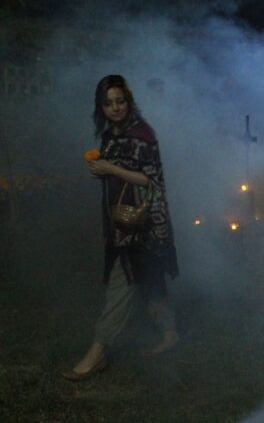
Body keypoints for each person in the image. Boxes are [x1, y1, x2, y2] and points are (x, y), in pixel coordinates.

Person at [63, 75, 179, 381]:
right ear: (100, 107)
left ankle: (97, 352)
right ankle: (170, 333)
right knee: (151, 279)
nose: (115, 108)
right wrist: (99, 171)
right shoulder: (109, 137)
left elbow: (150, 179)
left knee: (121, 284)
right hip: (119, 219)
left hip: (143, 224)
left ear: (128, 101)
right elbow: (116, 176)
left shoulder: (143, 133)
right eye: (108, 103)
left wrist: (111, 168)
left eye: (120, 101)